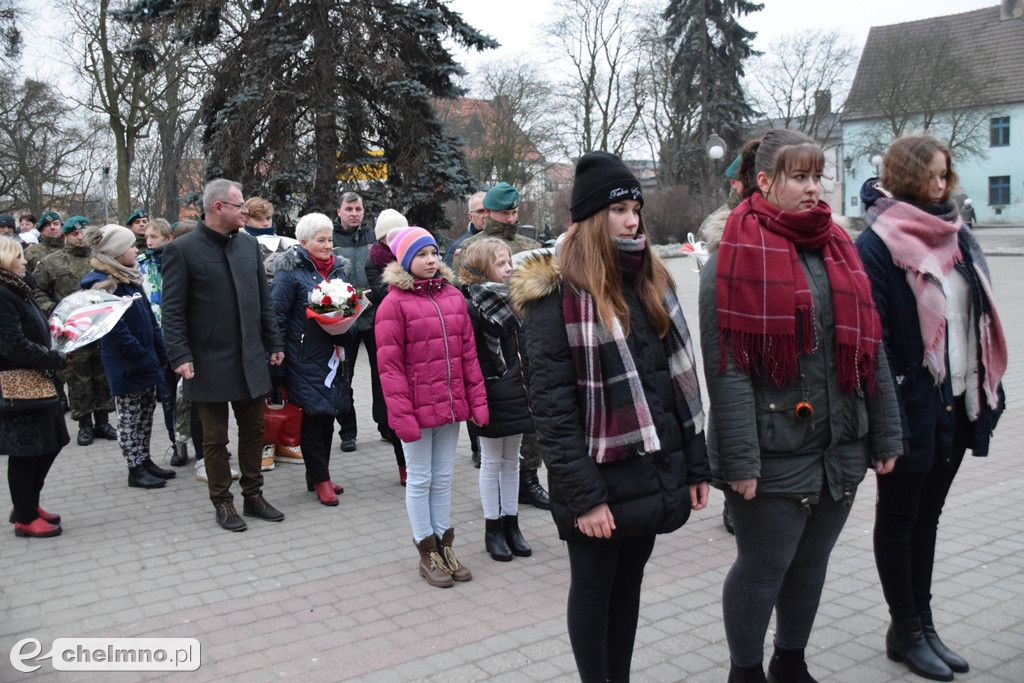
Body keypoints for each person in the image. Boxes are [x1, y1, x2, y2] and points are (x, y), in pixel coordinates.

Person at [698, 129, 903, 682]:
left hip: (841, 445)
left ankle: (791, 661)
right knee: (764, 567)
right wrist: (739, 461)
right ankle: (745, 672)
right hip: (770, 450)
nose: (815, 188)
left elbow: (869, 347)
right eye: (800, 177)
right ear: (765, 182)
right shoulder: (728, 261)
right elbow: (728, 369)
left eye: (818, 176)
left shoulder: (840, 246)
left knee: (810, 565)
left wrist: (885, 435)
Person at [510, 151, 710, 683]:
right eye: (619, 209)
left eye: (635, 208)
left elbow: (674, 387)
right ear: (593, 218)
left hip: (652, 469)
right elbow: (553, 414)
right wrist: (586, 497)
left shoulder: (649, 281)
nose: (632, 220)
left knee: (628, 589)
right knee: (595, 590)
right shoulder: (556, 298)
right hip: (597, 479)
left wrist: (695, 466)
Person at [856, 134, 1007, 682]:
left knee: (929, 517)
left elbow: (977, 314)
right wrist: (889, 424)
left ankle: (919, 626)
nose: (942, 186)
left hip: (960, 397)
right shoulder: (876, 244)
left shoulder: (957, 233)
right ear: (907, 176)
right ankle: (907, 627)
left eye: (947, 175)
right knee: (899, 519)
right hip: (912, 405)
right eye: (932, 176)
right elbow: (872, 342)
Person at [161, 178, 287, 532]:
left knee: (253, 431)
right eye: (239, 206)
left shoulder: (248, 247)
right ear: (218, 207)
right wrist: (180, 354)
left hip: (249, 357)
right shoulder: (182, 250)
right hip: (206, 361)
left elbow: (264, 301)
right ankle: (223, 502)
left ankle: (254, 495)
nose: (245, 211)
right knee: (215, 439)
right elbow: (171, 311)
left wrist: (274, 343)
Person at [376, 226, 488, 588]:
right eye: (422, 255)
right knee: (420, 478)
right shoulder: (393, 304)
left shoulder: (454, 297)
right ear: (406, 260)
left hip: (451, 406)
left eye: (434, 253)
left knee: (443, 479)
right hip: (417, 409)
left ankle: (444, 545)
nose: (430, 260)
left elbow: (468, 355)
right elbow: (389, 368)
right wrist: (401, 415)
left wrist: (476, 401)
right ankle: (425, 549)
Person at [454, 182, 550, 510]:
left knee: (529, 418)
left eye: (514, 212)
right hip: (490, 346)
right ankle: (494, 490)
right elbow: (463, 294)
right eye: (505, 212)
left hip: (527, 338)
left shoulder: (530, 244)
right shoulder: (471, 247)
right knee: (495, 433)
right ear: (489, 213)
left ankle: (529, 480)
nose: (511, 217)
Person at [80, 224, 174, 489]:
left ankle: (145, 460)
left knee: (145, 414)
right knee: (130, 418)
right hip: (126, 364)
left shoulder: (129, 277)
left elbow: (149, 319)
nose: (136, 249)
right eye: (131, 246)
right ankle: (135, 468)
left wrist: (159, 349)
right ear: (116, 251)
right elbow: (114, 330)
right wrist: (140, 353)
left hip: (147, 359)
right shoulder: (101, 284)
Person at [459, 237, 533, 562]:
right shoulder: (472, 304)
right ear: (482, 268)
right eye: (502, 264)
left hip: (517, 388)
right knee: (491, 461)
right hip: (489, 389)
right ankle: (493, 528)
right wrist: (478, 397)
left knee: (512, 459)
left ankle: (512, 522)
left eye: (509, 262)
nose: (509, 268)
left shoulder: (518, 298)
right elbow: (470, 356)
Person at [271, 213, 352, 506]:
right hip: (301, 356)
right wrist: (276, 354)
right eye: (321, 240)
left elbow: (346, 308)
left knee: (328, 414)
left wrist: (347, 323)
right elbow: (277, 314)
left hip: (331, 355)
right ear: (303, 242)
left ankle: (319, 473)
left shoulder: (339, 270)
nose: (328, 245)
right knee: (313, 418)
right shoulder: (290, 271)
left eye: (330, 239)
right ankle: (320, 479)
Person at [0, 237, 70, 538]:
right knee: (27, 452)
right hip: (20, 383)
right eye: (18, 256)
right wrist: (55, 358)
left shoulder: (16, 288)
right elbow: (13, 344)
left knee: (50, 443)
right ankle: (25, 517)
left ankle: (27, 503)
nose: (24, 261)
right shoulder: (3, 294)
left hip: (39, 379)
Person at [32, 216, 118, 445]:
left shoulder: (100, 260)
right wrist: (55, 310)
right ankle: (85, 424)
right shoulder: (52, 262)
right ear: (65, 236)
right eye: (74, 234)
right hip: (71, 331)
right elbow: (37, 292)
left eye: (83, 233)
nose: (80, 237)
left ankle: (103, 420)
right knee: (78, 378)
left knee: (102, 374)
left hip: (99, 327)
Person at [243, 196, 301, 470]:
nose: (265, 224)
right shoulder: (239, 242)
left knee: (282, 382)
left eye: (267, 218)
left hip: (281, 320)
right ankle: (264, 443)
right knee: (263, 385)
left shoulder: (286, 243)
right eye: (258, 219)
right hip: (253, 323)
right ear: (246, 219)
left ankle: (284, 438)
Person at [364, 208, 411, 485]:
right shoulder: (375, 260)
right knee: (394, 397)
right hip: (388, 330)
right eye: (390, 235)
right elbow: (382, 295)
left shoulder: (413, 251)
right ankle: (403, 464)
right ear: (382, 238)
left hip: (415, 332)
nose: (395, 239)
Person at [138, 217, 189, 467]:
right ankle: (177, 444)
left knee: (192, 395)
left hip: (183, 335)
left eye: (154, 237)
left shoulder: (179, 260)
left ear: (169, 238)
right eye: (146, 237)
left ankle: (203, 441)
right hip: (157, 337)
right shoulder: (141, 265)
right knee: (168, 396)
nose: (148, 242)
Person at [331, 191, 375, 452]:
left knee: (382, 376)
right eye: (348, 209)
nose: (354, 214)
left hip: (374, 315)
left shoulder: (373, 237)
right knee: (344, 377)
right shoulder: (331, 238)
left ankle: (386, 427)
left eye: (358, 209)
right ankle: (348, 432)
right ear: (339, 211)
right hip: (345, 318)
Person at [442, 190, 486, 267]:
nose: (486, 215)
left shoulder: (506, 240)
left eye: (489, 211)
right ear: (470, 216)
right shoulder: (458, 247)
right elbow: (449, 277)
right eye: (481, 211)